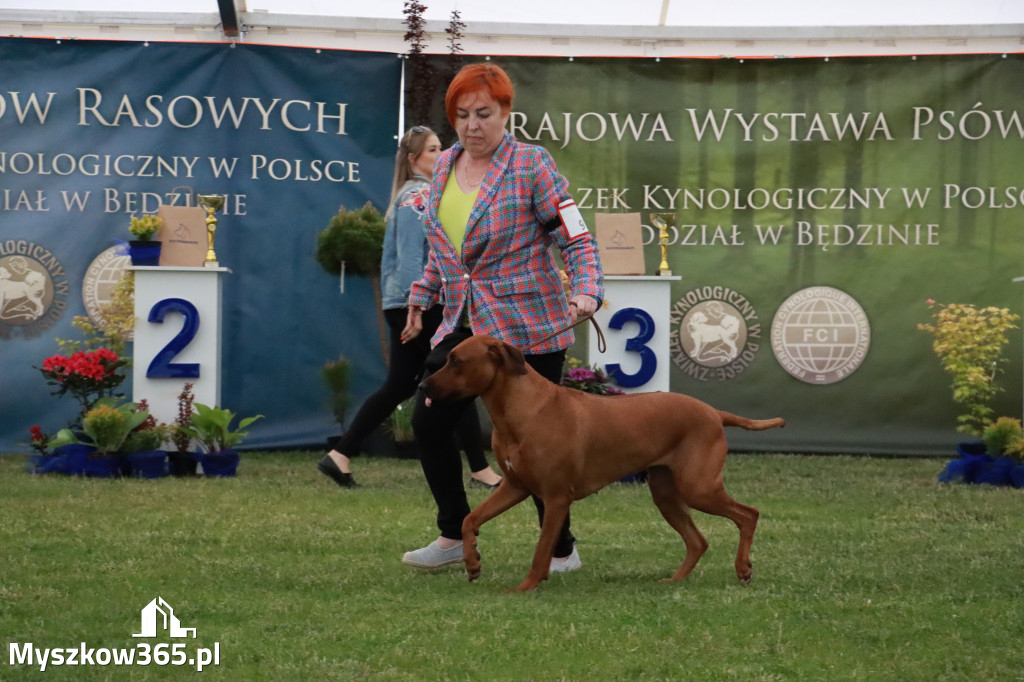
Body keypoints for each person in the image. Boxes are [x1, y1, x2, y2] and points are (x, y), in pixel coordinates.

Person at [399, 63, 604, 571]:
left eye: (484, 114)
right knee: (429, 420)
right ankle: (452, 535)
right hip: (465, 326)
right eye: (463, 115)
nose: (473, 125)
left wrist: (586, 290)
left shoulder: (532, 164)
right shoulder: (443, 167)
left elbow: (574, 236)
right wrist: (422, 297)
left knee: (538, 446)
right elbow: (445, 249)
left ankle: (560, 549)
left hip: (529, 326)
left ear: (506, 112)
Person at [318, 125, 503, 490]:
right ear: (415, 159)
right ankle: (481, 469)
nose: (442, 155)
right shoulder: (416, 198)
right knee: (459, 376)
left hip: (407, 303)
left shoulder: (418, 195)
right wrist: (417, 311)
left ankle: (340, 455)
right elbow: (408, 263)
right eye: (433, 150)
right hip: (416, 304)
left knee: (399, 384)